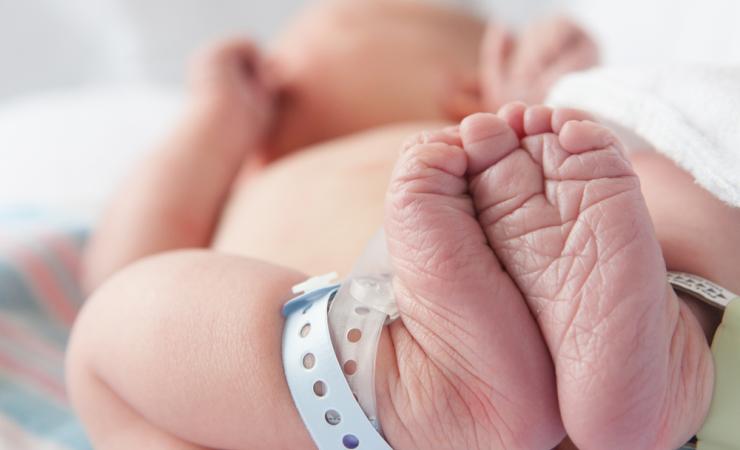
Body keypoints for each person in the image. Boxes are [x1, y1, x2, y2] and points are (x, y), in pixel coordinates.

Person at [65, 1, 740, 449]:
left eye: (290, 61)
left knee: (669, 163)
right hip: (325, 414)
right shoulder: (248, 181)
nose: (267, 73)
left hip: (401, 409)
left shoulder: (510, 159)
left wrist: (571, 103)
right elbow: (112, 261)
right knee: (121, 320)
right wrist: (210, 122)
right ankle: (675, 327)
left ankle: (665, 343)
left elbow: (122, 267)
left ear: (467, 91)